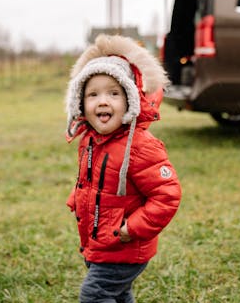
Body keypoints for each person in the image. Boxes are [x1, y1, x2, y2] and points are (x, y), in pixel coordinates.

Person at [65, 34, 182, 303]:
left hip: (124, 246)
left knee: (94, 295)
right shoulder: (90, 141)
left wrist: (132, 227)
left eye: (113, 93)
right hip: (98, 242)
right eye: (93, 94)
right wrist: (77, 198)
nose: (103, 101)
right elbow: (93, 181)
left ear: (130, 100)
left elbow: (168, 195)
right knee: (117, 295)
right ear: (81, 104)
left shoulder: (140, 146)